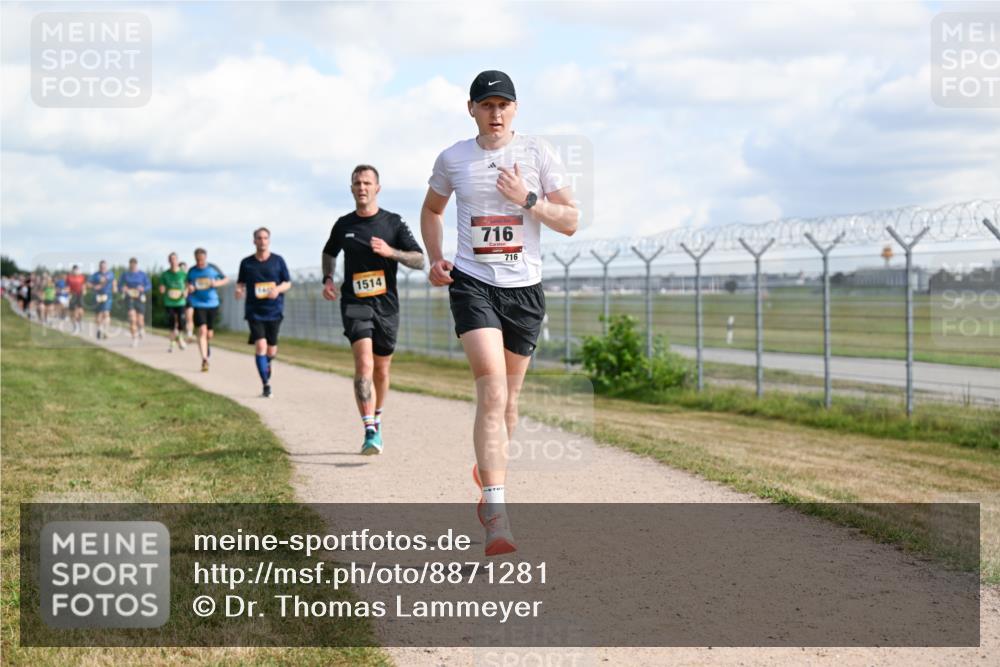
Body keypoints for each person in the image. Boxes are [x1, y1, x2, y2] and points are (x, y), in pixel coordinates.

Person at [420, 70, 578, 556]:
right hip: (473, 283)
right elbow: (431, 210)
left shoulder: (538, 154)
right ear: (471, 109)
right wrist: (435, 256)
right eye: (486, 105)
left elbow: (571, 220)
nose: (495, 114)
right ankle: (497, 512)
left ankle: (488, 473)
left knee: (509, 403)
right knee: (491, 392)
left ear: (515, 108)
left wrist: (527, 199)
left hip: (525, 289)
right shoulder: (453, 158)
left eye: (502, 105)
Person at [322, 164, 425, 455]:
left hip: (387, 306)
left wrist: (391, 252)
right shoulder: (344, 225)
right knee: (364, 364)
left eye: (367, 183)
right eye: (357, 183)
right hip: (355, 303)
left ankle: (377, 419)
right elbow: (329, 252)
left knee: (381, 368)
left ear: (377, 188)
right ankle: (368, 429)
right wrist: (328, 278)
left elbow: (420, 259)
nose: (362, 187)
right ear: (352, 188)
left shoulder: (392, 223)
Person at [235, 228, 292, 397]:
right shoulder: (246, 263)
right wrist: (238, 291)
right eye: (259, 238)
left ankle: (266, 365)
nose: (262, 241)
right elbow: (240, 283)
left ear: (269, 240)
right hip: (254, 311)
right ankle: (266, 384)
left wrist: (278, 289)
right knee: (260, 345)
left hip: (274, 311)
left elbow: (287, 283)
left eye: (265, 238)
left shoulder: (278, 261)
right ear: (254, 241)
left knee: (271, 350)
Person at [186, 248, 228, 371]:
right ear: (195, 259)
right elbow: (188, 284)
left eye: (202, 260)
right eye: (198, 260)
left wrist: (216, 284)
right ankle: (204, 359)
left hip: (212, 303)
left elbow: (225, 279)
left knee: (209, 333)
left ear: (206, 258)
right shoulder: (192, 271)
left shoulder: (213, 268)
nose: (200, 262)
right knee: (202, 331)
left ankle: (206, 344)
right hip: (198, 304)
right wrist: (190, 287)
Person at [118, 257, 151, 347]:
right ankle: (134, 339)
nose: (132, 266)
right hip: (129, 298)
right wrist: (122, 288)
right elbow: (119, 285)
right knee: (132, 319)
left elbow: (149, 285)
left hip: (140, 298)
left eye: (134, 265)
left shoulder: (142, 274)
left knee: (140, 320)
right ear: (129, 265)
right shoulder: (125, 274)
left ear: (136, 265)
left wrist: (143, 288)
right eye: (131, 265)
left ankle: (141, 328)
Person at [159, 253, 188, 352]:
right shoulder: (165, 274)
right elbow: (162, 286)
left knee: (181, 321)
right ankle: (171, 343)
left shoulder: (183, 274)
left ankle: (180, 338)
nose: (173, 261)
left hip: (180, 302)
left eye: (174, 259)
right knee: (171, 323)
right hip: (169, 302)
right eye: (171, 259)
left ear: (177, 260)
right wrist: (162, 289)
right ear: (168, 261)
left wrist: (186, 291)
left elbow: (188, 285)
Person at [89, 261, 116, 339]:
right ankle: (100, 329)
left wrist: (102, 283)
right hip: (97, 296)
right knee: (98, 316)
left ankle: (106, 331)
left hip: (107, 296)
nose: (103, 268)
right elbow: (88, 283)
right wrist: (94, 286)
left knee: (106, 313)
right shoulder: (95, 275)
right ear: (99, 267)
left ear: (106, 267)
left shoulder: (110, 274)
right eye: (101, 266)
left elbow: (106, 279)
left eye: (104, 266)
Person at [65, 265, 87, 333]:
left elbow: (84, 285)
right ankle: (75, 327)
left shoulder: (82, 277)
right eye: (75, 270)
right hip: (72, 295)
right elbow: (67, 286)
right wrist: (67, 292)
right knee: (72, 313)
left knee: (80, 311)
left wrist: (84, 290)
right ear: (72, 270)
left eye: (77, 270)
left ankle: (80, 322)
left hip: (79, 294)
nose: (76, 271)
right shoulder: (69, 277)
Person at [180, 261, 195, 342]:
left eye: (184, 268)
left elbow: (193, 288)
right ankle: (180, 335)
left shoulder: (190, 278)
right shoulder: (177, 279)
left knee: (189, 317)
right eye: (181, 268)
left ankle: (189, 334)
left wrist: (189, 289)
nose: (183, 270)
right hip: (179, 302)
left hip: (189, 300)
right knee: (181, 319)